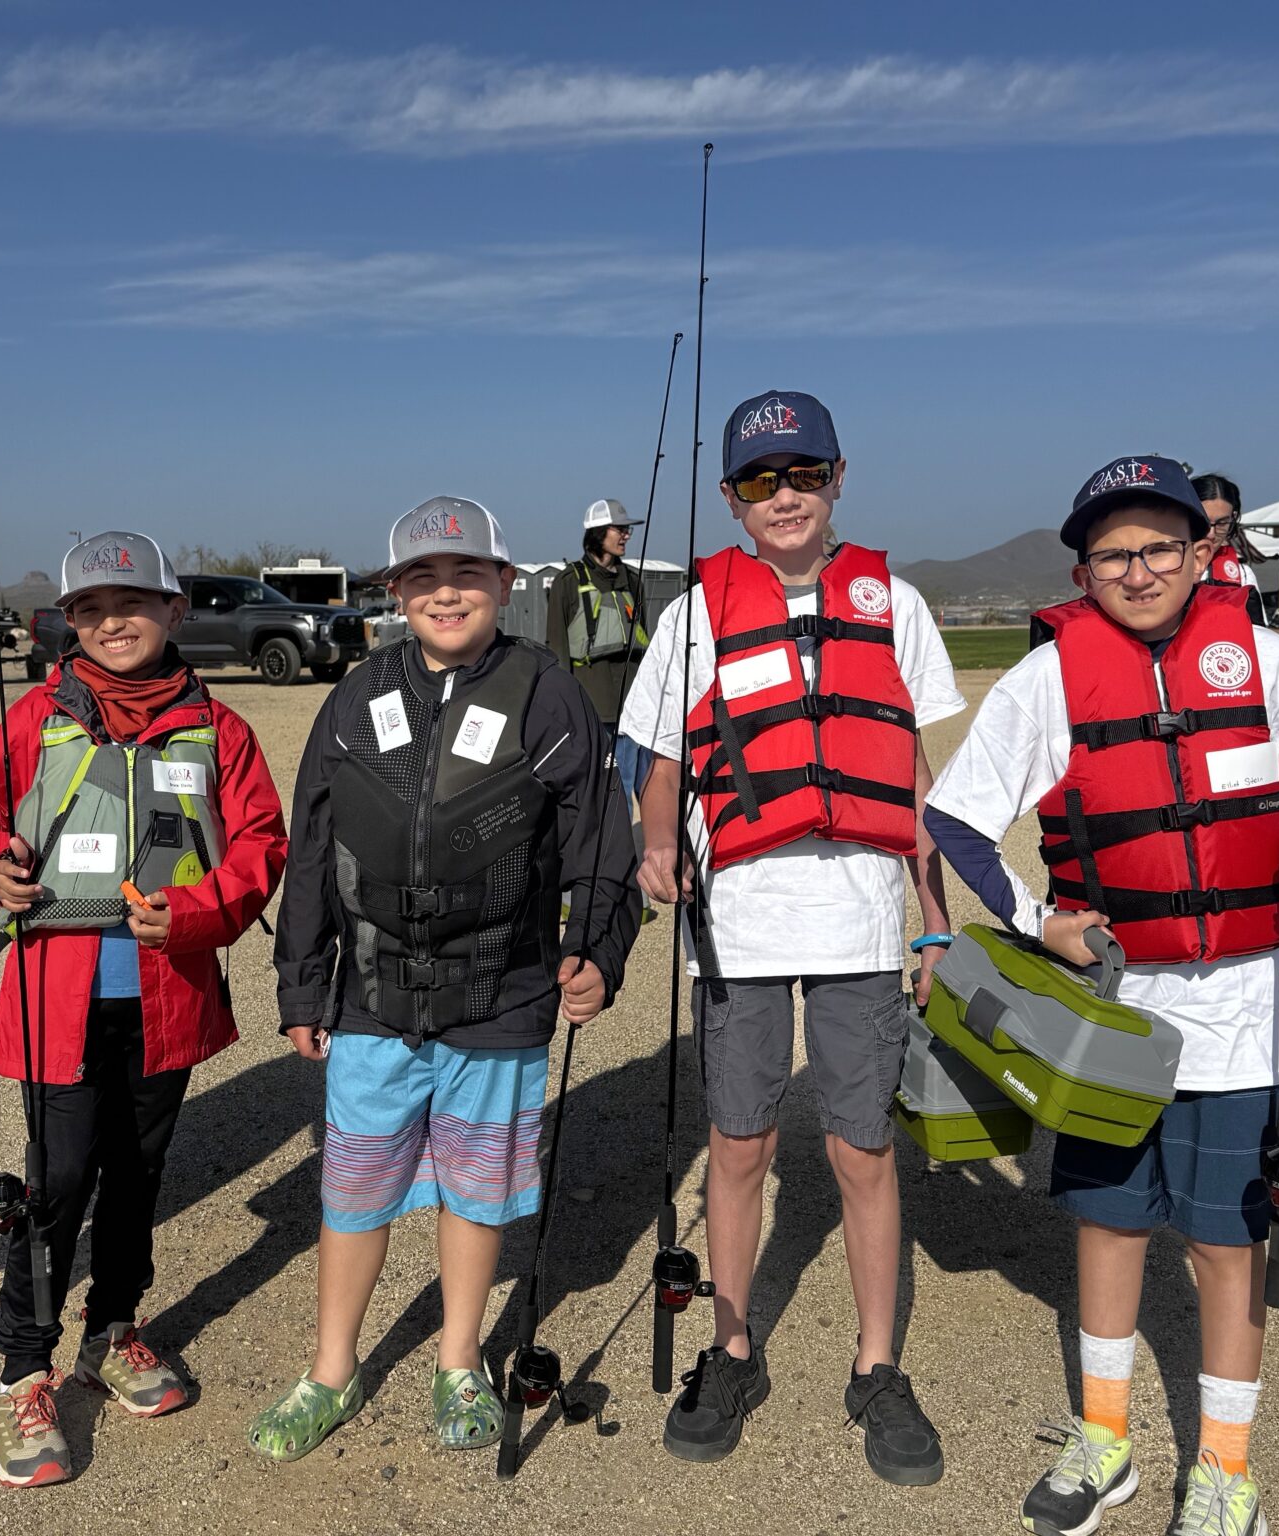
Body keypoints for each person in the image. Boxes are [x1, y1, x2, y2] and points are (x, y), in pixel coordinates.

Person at [925, 456, 1279, 1536]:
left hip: (1244, 1009)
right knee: (1109, 1227)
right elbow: (954, 820)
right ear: (1082, 567)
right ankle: (1107, 1439)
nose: (1137, 569)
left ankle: (1223, 1468)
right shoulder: (1047, 677)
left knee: (1225, 1242)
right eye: (1112, 553)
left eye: (1158, 546)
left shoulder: (1265, 659)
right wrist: (1036, 921)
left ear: (1201, 551)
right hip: (1110, 1017)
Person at [620, 390, 967, 1486]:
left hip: (863, 917)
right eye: (760, 480)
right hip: (742, 924)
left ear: (836, 478)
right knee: (738, 1145)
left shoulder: (894, 603)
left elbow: (911, 775)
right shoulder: (694, 613)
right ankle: (731, 1351)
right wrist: (656, 843)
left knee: (860, 1148)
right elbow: (664, 757)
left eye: (803, 474)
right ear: (729, 497)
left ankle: (876, 1366)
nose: (784, 497)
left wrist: (935, 920)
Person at [254, 497, 639, 1463]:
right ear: (395, 594)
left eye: (467, 575)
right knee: (354, 1188)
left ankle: (460, 1360)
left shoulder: (547, 692)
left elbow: (600, 846)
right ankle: (331, 1369)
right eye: (422, 579)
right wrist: (304, 984)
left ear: (506, 585)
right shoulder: (355, 697)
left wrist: (597, 950)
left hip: (502, 996)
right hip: (374, 999)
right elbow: (313, 844)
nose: (446, 594)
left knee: (475, 1190)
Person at [0, 532, 289, 1488]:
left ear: (175, 612)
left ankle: (113, 1329)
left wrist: (197, 914)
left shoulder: (220, 731)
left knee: (139, 1174)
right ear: (69, 624)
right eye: (92, 610)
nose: (114, 622)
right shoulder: (33, 723)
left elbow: (260, 845)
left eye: (133, 603)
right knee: (54, 1188)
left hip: (165, 996)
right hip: (55, 998)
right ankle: (23, 1369)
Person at [546, 497, 653, 801]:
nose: (626, 535)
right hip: (591, 701)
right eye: (619, 529)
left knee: (637, 780)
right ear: (598, 533)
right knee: (602, 783)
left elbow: (643, 639)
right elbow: (558, 646)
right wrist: (565, 706)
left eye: (627, 530)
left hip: (633, 699)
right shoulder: (567, 582)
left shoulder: (633, 580)